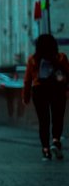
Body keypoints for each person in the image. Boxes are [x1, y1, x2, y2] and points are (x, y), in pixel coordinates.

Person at [22, 33, 69, 161]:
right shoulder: (61, 58)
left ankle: (46, 150)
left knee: (43, 121)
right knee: (57, 117)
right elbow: (67, 76)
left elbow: (27, 80)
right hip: (57, 90)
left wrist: (25, 96)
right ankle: (55, 141)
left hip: (39, 90)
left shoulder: (33, 59)